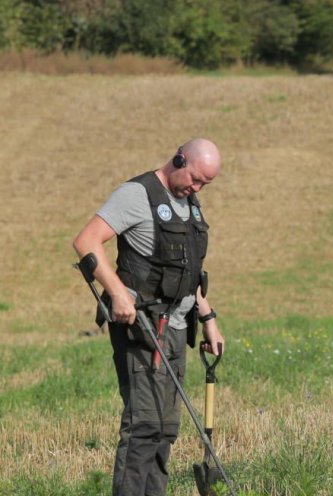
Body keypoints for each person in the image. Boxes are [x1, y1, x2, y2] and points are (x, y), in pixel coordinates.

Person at [72, 139, 225, 495]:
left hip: (176, 327)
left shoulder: (189, 203)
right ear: (179, 159)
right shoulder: (136, 195)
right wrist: (116, 291)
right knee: (143, 424)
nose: (197, 189)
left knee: (165, 427)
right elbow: (86, 242)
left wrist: (209, 319)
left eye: (205, 185)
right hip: (142, 326)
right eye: (196, 179)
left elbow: (188, 272)